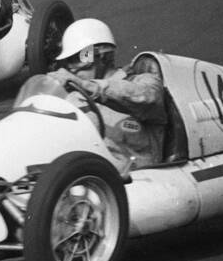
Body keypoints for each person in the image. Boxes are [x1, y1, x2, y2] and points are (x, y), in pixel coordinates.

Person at [48, 18, 167, 178]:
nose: (72, 67)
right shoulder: (76, 96)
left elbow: (147, 97)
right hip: (86, 178)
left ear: (103, 56)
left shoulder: (143, 81)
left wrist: (87, 85)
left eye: (81, 58)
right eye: (69, 60)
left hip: (138, 180)